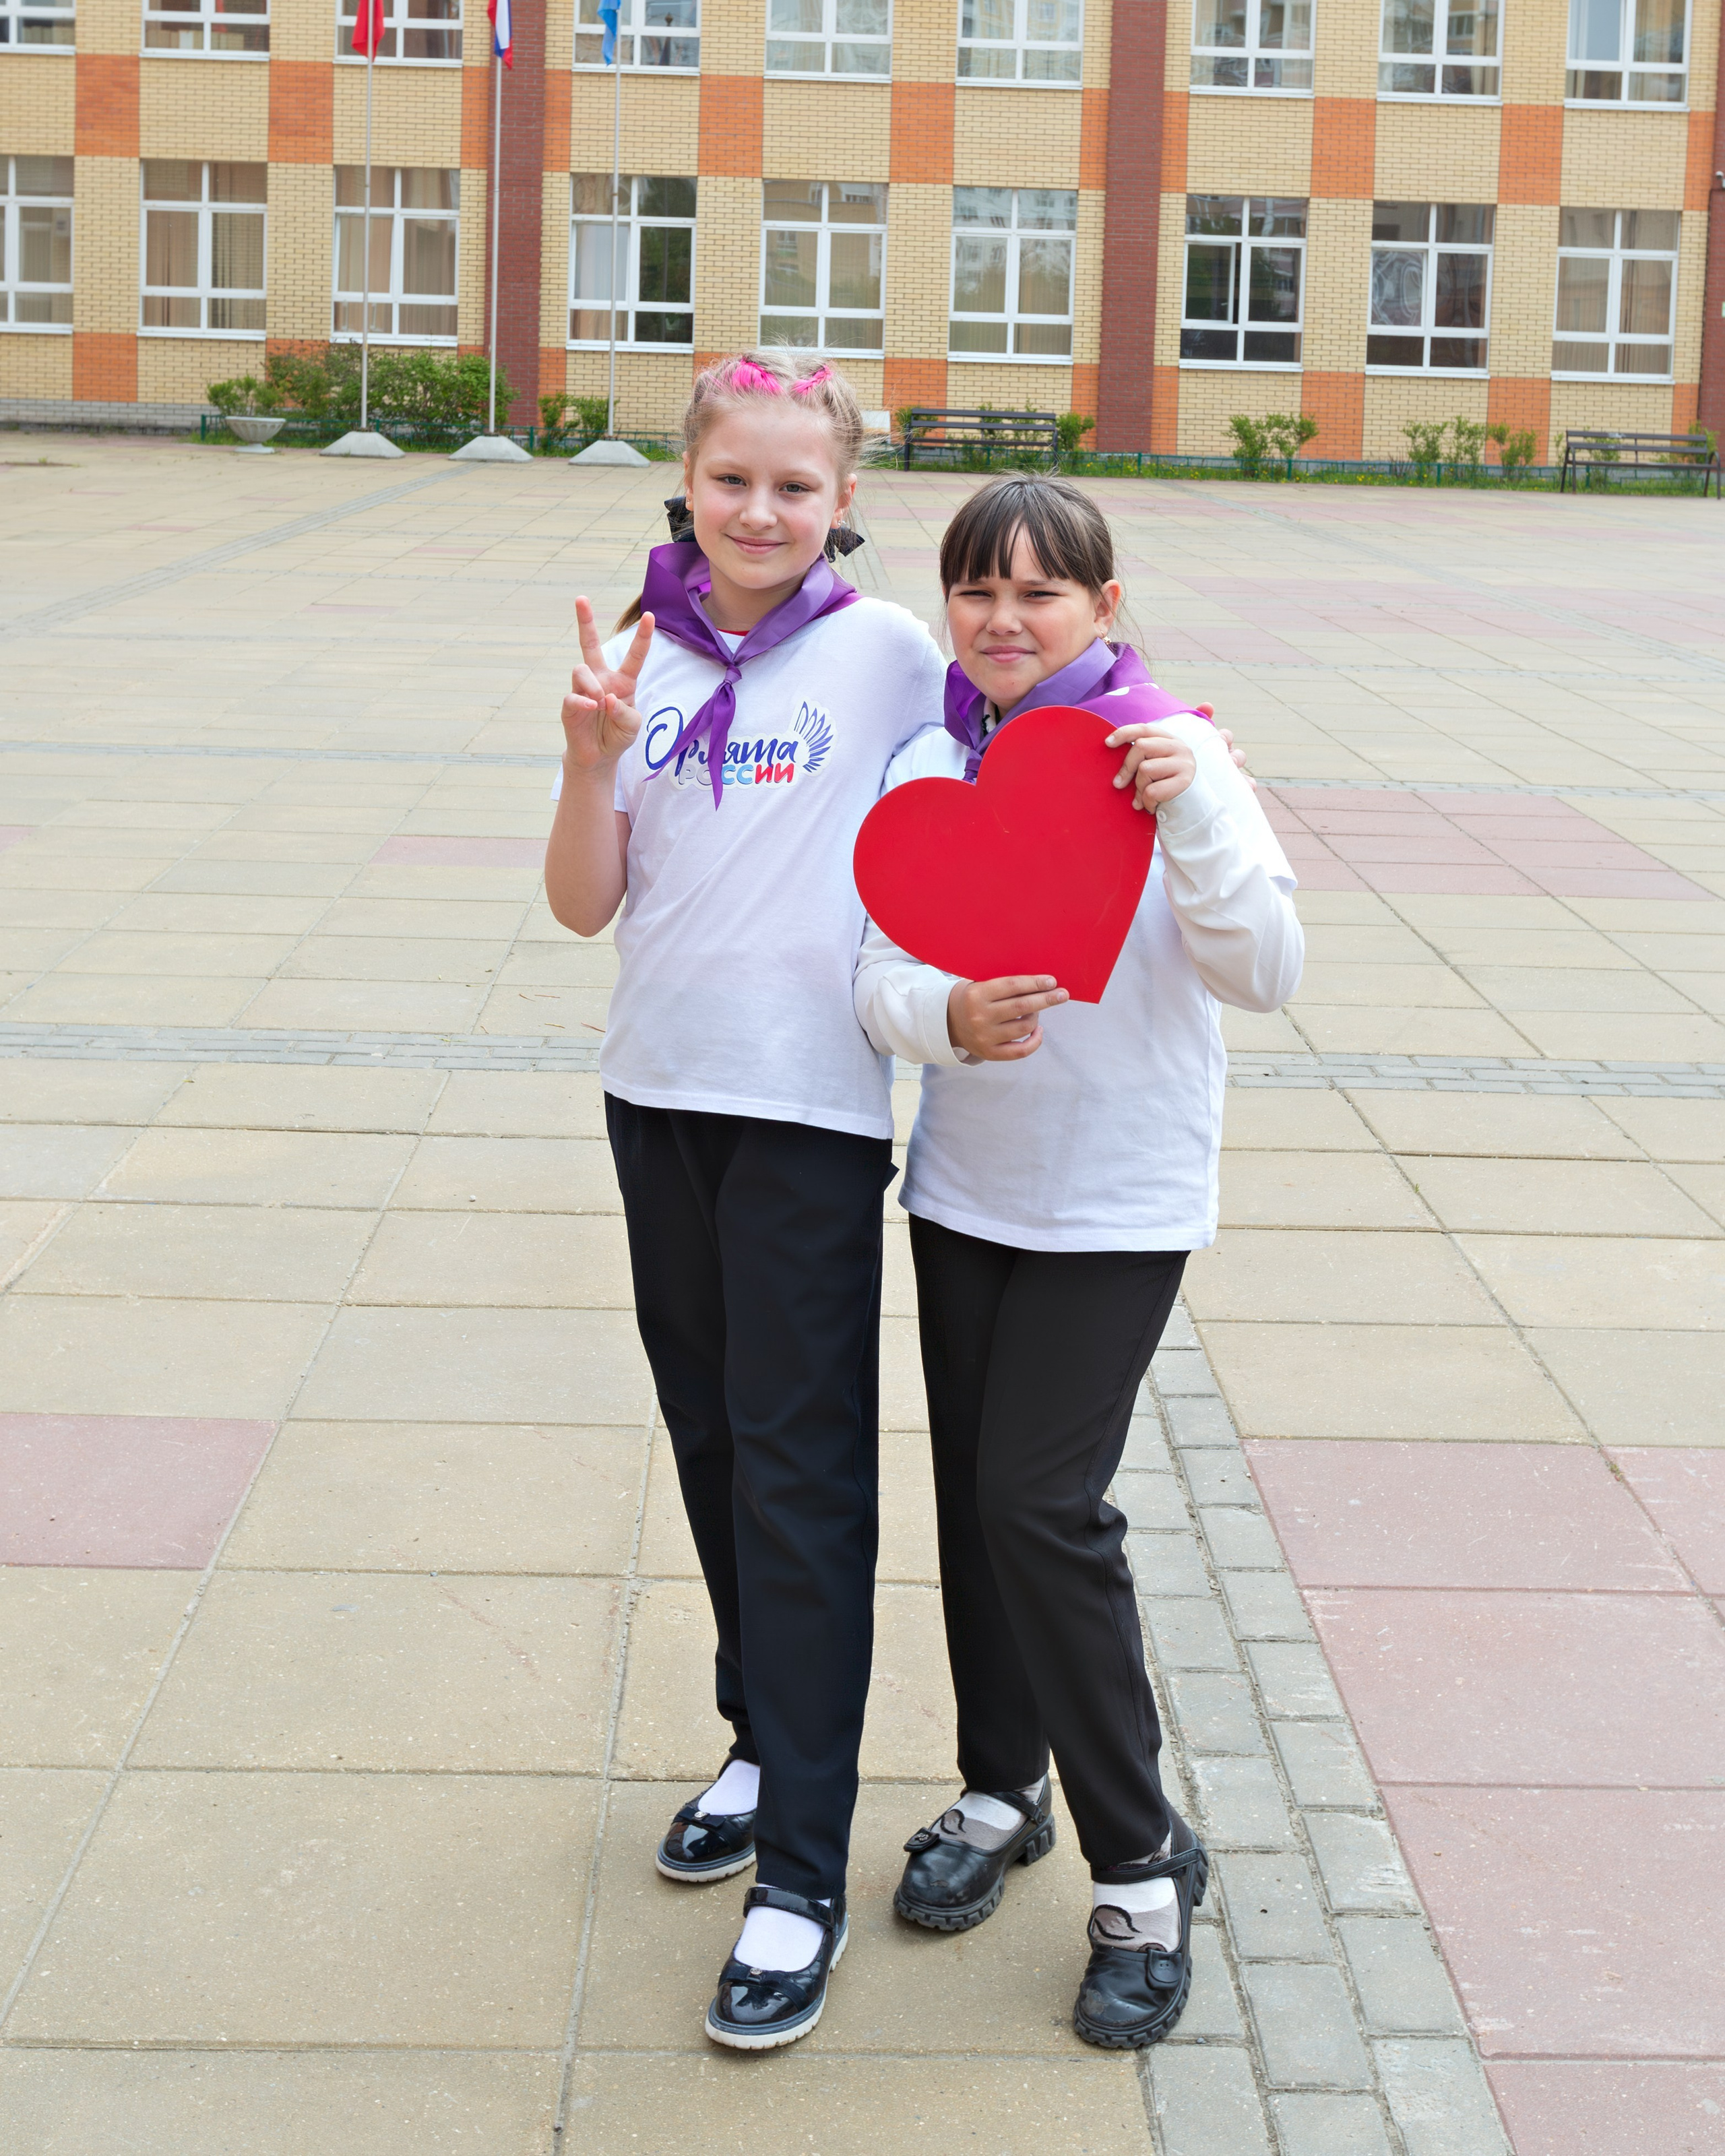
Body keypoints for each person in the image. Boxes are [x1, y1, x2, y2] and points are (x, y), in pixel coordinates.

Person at [854, 472, 1303, 2049]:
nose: (1002, 618)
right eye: (975, 589)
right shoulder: (929, 760)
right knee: (974, 1511)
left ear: (1102, 607)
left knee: (1038, 1508)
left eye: (1038, 591)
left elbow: (1265, 970)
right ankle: (1000, 1786)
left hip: (1117, 1202)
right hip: (966, 1191)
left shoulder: (1168, 751)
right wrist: (941, 1017)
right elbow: (875, 972)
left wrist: (1194, 804)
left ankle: (1139, 1866)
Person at [543, 350, 948, 2051]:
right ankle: (760, 1736)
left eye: (795, 486)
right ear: (687, 481)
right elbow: (582, 906)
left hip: (801, 1118)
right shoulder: (638, 649)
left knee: (800, 1478)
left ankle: (801, 1873)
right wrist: (589, 758)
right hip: (655, 1098)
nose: (761, 512)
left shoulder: (888, 654)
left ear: (843, 499)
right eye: (733, 480)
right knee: (709, 1441)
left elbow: (995, 774)